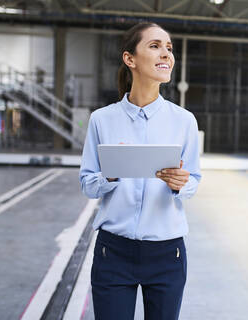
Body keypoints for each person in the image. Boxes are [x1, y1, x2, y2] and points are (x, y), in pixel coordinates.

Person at [79, 22, 201, 320]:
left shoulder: (184, 121)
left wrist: (180, 183)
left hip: (167, 254)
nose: (166, 54)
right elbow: (87, 183)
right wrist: (109, 175)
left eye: (169, 48)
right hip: (113, 253)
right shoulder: (102, 120)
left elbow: (193, 181)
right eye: (155, 46)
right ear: (130, 59)